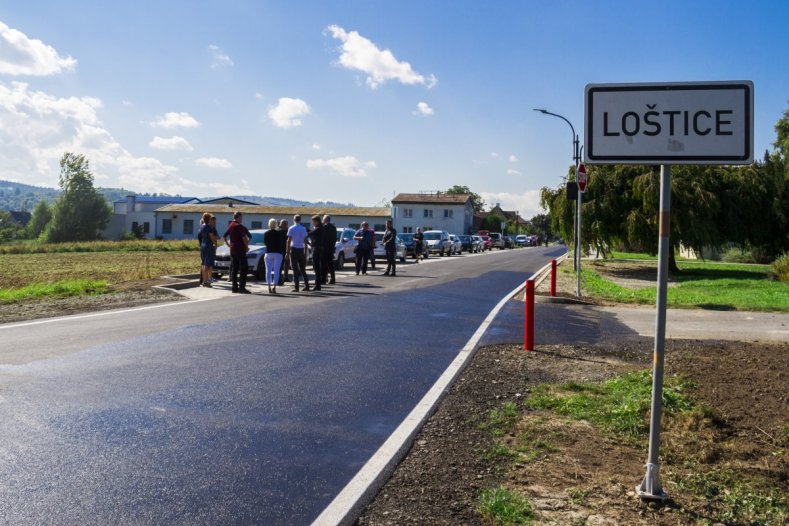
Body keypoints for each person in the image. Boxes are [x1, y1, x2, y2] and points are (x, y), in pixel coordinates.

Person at [223, 211, 251, 293]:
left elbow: (225, 236)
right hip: (240, 249)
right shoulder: (239, 226)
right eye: (241, 217)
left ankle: (234, 287)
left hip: (233, 249)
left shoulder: (231, 225)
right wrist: (246, 247)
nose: (242, 219)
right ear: (238, 217)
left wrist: (229, 245)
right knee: (244, 268)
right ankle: (242, 287)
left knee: (234, 269)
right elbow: (244, 238)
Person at [286, 214, 310, 292]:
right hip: (301, 249)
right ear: (300, 220)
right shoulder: (303, 229)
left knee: (295, 269)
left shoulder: (291, 228)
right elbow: (305, 242)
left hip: (294, 249)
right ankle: (307, 285)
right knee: (303, 269)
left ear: (294, 220)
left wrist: (287, 252)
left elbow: (289, 241)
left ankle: (296, 287)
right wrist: (305, 252)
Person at [263, 218, 284, 294]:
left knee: (268, 270)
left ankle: (268, 286)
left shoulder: (266, 233)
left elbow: (265, 243)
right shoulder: (279, 233)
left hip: (268, 252)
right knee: (276, 271)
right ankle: (274, 286)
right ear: (275, 225)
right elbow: (280, 243)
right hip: (278, 253)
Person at [198, 212, 220, 287]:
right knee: (207, 265)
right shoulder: (208, 227)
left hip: (203, 245)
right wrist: (217, 239)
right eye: (210, 218)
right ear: (208, 219)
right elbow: (212, 237)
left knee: (204, 264)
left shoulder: (201, 226)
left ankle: (204, 280)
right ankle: (206, 281)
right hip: (208, 246)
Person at [307, 215, 325, 291]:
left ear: (316, 221)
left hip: (317, 249)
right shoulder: (321, 228)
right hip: (320, 249)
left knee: (316, 267)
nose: (313, 223)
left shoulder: (319, 228)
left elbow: (310, 234)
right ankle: (318, 284)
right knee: (318, 267)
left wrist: (306, 230)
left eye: (313, 221)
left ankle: (317, 285)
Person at [322, 215, 337, 285]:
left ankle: (325, 278)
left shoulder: (324, 227)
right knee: (330, 264)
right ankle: (332, 278)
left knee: (324, 264)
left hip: (324, 248)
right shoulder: (334, 228)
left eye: (323, 219)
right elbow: (334, 238)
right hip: (331, 248)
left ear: (325, 220)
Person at [277, 219, 291, 286]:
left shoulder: (279, 232)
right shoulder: (288, 232)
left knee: (284, 264)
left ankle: (284, 277)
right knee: (285, 264)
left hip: (281, 250)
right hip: (285, 250)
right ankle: (285, 277)